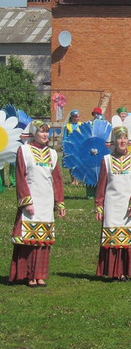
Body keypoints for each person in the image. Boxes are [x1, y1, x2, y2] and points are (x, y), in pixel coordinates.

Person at [9, 120, 65, 287]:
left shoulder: (52, 154)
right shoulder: (24, 151)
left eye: (47, 132)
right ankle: (28, 275)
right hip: (32, 200)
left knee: (43, 241)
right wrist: (26, 201)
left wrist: (60, 203)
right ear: (34, 133)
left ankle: (40, 274)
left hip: (46, 201)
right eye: (41, 132)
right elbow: (20, 176)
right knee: (29, 240)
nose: (45, 135)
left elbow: (57, 180)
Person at [94, 126, 131, 281]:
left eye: (124, 138)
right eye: (119, 138)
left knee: (128, 239)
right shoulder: (107, 160)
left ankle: (126, 271)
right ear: (114, 141)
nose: (122, 141)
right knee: (113, 239)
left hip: (128, 206)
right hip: (112, 205)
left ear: (128, 141)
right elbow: (101, 184)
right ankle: (114, 272)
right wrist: (99, 206)